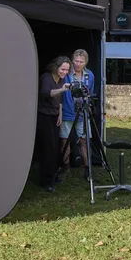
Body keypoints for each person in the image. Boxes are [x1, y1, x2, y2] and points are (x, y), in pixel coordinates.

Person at [36, 56, 72, 192]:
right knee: (48, 148)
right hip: (44, 115)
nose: (64, 72)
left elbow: (60, 100)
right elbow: (47, 93)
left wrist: (60, 115)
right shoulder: (46, 77)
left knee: (55, 147)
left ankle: (52, 175)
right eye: (62, 69)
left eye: (67, 70)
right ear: (56, 67)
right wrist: (62, 89)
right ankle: (45, 180)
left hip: (54, 115)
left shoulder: (61, 79)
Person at [59, 49, 95, 180]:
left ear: (85, 63)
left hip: (82, 113)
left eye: (81, 62)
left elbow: (89, 93)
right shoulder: (66, 73)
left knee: (85, 141)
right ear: (72, 60)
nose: (78, 64)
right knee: (64, 140)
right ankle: (65, 167)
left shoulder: (89, 75)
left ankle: (87, 169)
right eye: (76, 61)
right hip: (68, 111)